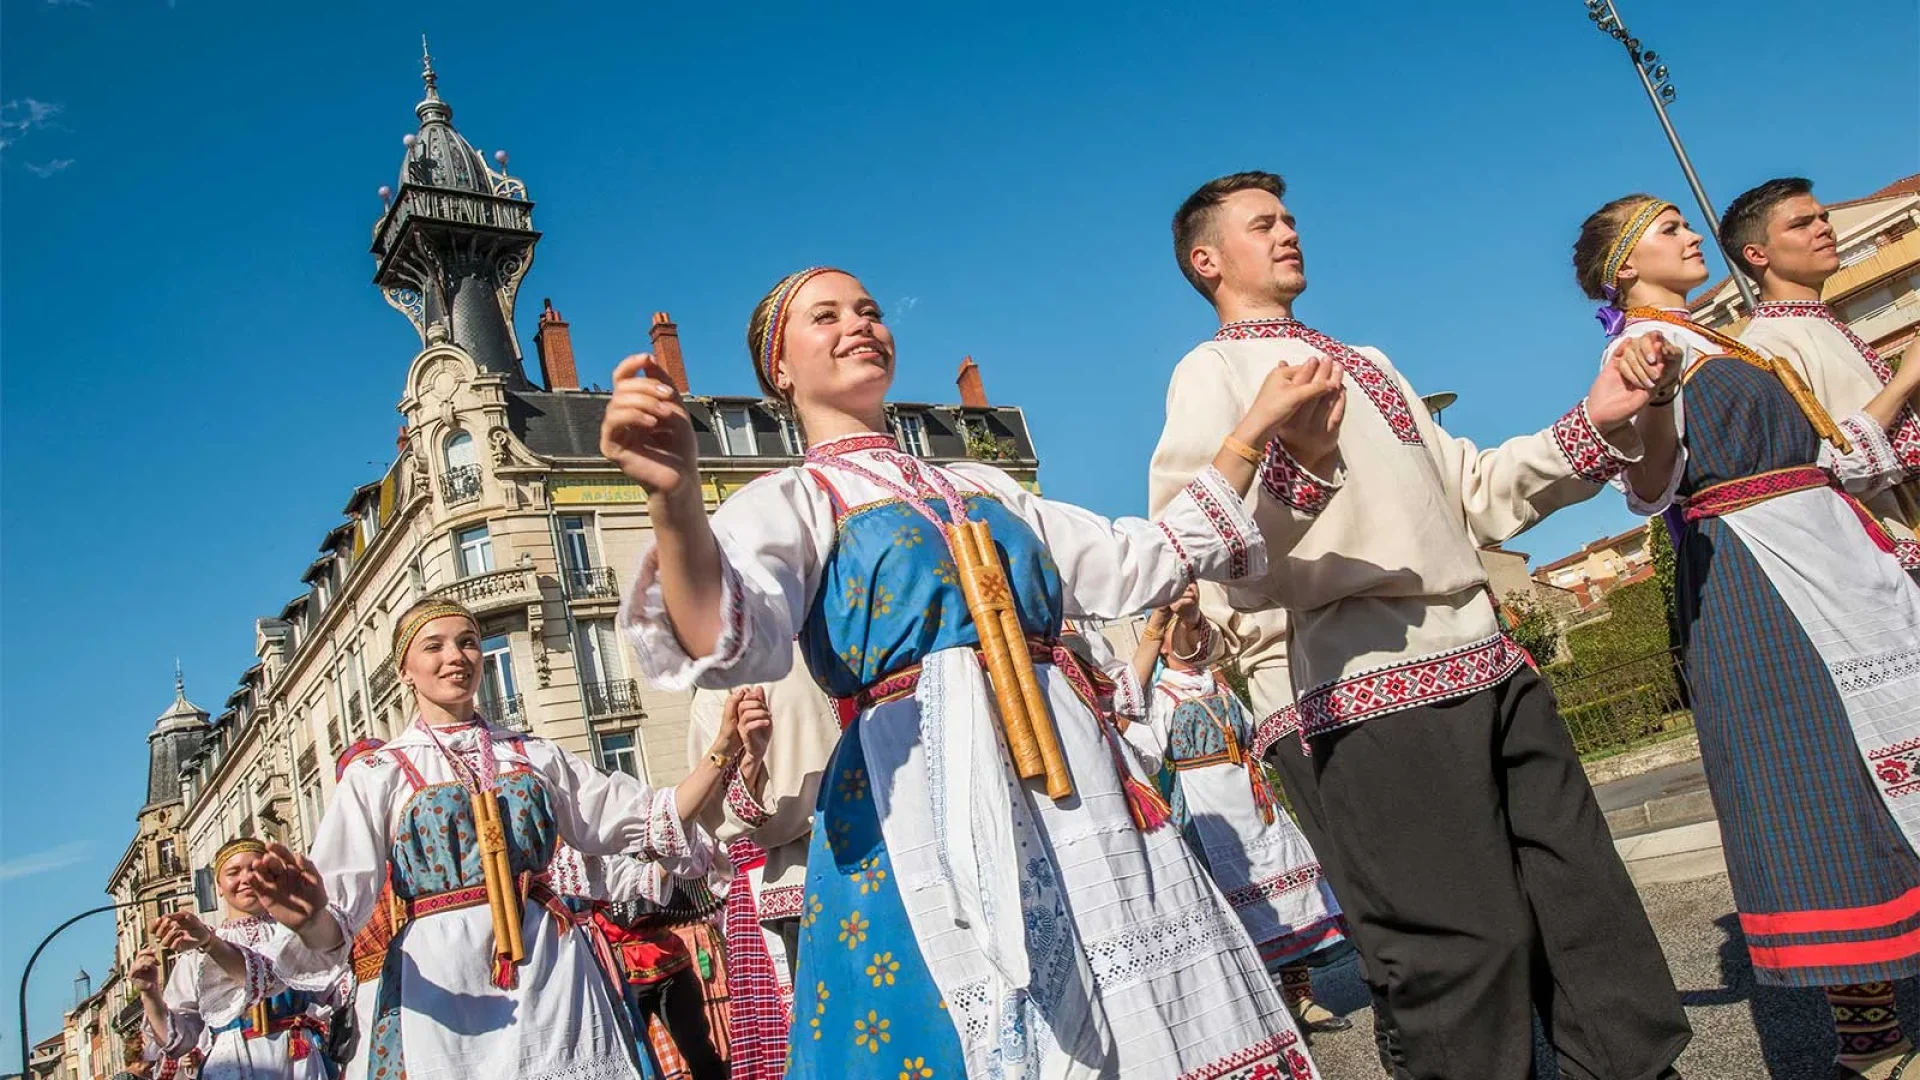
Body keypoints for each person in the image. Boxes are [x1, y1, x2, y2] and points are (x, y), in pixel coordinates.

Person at [610, 266, 1345, 1078]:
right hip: (922, 781)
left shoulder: (982, 484)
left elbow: (1141, 560)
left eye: (870, 310)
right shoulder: (789, 499)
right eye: (826, 316)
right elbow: (724, 627)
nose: (859, 324)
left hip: (1075, 773)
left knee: (1137, 997)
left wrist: (1254, 427)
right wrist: (675, 500)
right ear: (778, 369)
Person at [1148, 170, 1692, 1080]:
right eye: (1261, 223)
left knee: (1585, 905)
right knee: (1459, 945)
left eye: (1290, 217)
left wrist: (1593, 421)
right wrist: (1303, 467)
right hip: (1363, 684)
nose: (1288, 231)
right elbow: (1196, 532)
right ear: (1206, 261)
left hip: (1487, 655)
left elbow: (1473, 493)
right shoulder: (1213, 373)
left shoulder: (1366, 360)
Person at [1579, 193, 1920, 1080]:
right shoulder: (1638, 352)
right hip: (1756, 578)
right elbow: (1651, 488)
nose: (1692, 235)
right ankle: (1871, 1044)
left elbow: (1827, 453)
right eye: (1667, 230)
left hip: (1834, 554)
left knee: (1874, 759)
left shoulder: (1724, 340)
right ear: (1626, 266)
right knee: (1815, 784)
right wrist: (1651, 405)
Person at [235, 596, 753, 1080]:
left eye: (467, 642)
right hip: (445, 984)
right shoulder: (378, 773)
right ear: (404, 673)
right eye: (432, 646)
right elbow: (338, 922)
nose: (455, 656)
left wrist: (723, 748)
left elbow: (644, 814)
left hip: (551, 965)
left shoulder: (532, 754)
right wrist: (309, 919)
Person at [1117, 589, 1351, 1039]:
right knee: (1232, 903)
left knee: (1285, 894)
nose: (1190, 634)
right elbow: (1144, 753)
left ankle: (1301, 997)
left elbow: (1255, 732)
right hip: (1206, 808)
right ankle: (1257, 1012)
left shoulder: (1220, 683)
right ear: (1164, 643)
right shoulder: (1162, 695)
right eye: (1177, 630)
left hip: (1253, 797)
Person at [1721, 177, 1920, 574]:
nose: (1824, 228)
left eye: (1823, 217)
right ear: (1757, 254)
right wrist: (1906, 379)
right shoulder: (1766, 347)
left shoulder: (1819, 323)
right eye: (1801, 224)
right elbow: (1823, 466)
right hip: (1883, 559)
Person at [685, 666, 841, 1080]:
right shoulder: (722, 682)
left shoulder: (831, 641)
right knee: (834, 1038)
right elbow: (720, 817)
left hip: (898, 849)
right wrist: (751, 758)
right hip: (802, 880)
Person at [131, 839, 343, 1080]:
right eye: (234, 872)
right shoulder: (197, 950)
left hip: (297, 1058)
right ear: (218, 886)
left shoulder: (295, 932)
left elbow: (334, 990)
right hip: (232, 1061)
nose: (246, 879)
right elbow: (180, 1040)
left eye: (255, 870)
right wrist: (150, 994)